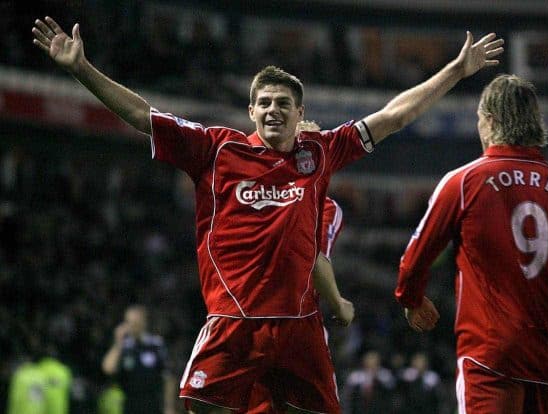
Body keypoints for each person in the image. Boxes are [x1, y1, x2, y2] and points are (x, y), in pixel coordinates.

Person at [32, 16, 503, 413]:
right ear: (250, 110)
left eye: (283, 104)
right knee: (201, 409)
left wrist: (456, 72)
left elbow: (394, 115)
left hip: (299, 329)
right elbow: (142, 115)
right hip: (234, 321)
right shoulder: (217, 149)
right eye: (265, 103)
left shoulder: (320, 152)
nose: (273, 110)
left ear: (300, 113)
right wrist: (82, 70)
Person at [395, 74, 548, 414]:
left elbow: (416, 258)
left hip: (490, 354)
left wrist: (411, 298)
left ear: (489, 121)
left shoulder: (463, 182)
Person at [246, 194, 353, 414]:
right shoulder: (326, 206)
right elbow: (314, 259)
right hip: (297, 326)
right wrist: (339, 304)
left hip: (246, 320)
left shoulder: (247, 196)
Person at [101, 305, 177, 414]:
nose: (133, 325)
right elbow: (108, 369)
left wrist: (169, 407)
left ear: (144, 322)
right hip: (129, 406)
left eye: (136, 322)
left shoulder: (156, 345)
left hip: (153, 405)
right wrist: (118, 343)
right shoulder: (123, 347)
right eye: (129, 322)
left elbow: (168, 377)